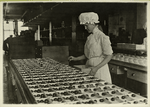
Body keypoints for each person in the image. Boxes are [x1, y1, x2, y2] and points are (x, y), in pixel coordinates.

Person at [68, 12, 113, 83]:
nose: (85, 28)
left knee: (101, 90)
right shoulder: (89, 37)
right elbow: (87, 55)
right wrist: (75, 58)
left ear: (92, 23)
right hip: (89, 68)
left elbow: (109, 55)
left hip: (100, 69)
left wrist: (96, 68)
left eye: (86, 25)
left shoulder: (102, 37)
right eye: (84, 26)